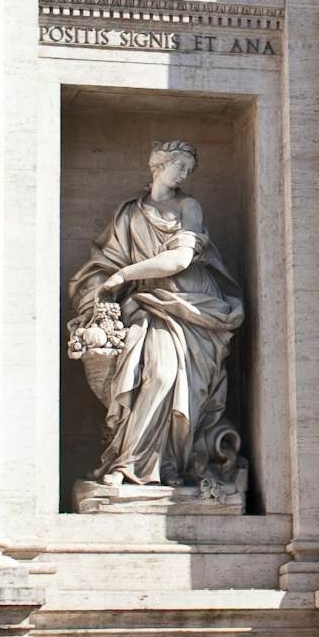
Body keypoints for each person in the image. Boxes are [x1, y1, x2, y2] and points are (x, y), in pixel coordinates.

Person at [65, 142, 245, 494]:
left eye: (188, 170)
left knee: (171, 380)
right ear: (158, 166)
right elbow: (106, 263)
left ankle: (167, 464)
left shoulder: (187, 206)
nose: (184, 175)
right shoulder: (129, 214)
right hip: (146, 305)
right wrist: (105, 284)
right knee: (154, 375)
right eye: (179, 166)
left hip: (191, 307)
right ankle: (132, 463)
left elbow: (179, 260)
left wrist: (125, 275)